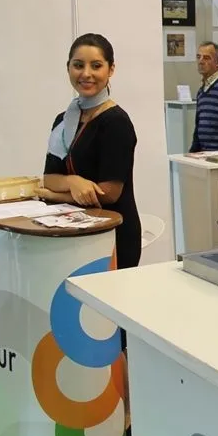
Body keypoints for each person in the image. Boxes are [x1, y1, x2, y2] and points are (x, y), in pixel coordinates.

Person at [38, 33, 142, 271]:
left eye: (96, 66)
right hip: (74, 232)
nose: (86, 74)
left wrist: (56, 195)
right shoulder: (63, 121)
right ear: (68, 68)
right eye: (78, 65)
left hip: (112, 235)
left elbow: (109, 193)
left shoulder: (116, 122)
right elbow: (49, 178)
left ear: (111, 69)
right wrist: (73, 181)